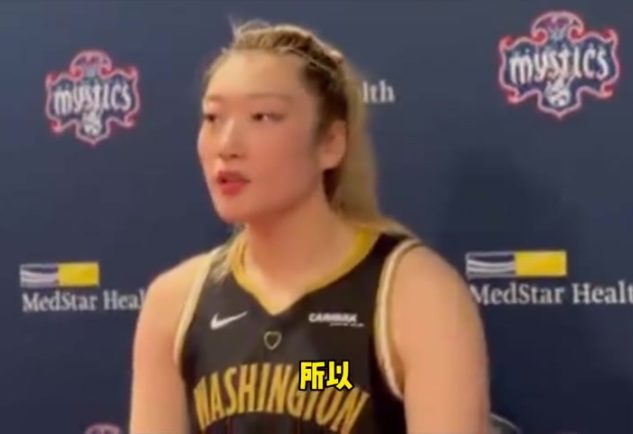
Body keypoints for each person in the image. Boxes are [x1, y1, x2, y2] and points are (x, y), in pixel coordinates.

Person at [129, 19, 490, 434]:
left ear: (331, 143)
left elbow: (322, 377)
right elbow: (305, 376)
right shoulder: (174, 303)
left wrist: (318, 379)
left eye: (263, 116)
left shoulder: (417, 295)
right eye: (213, 117)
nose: (227, 145)